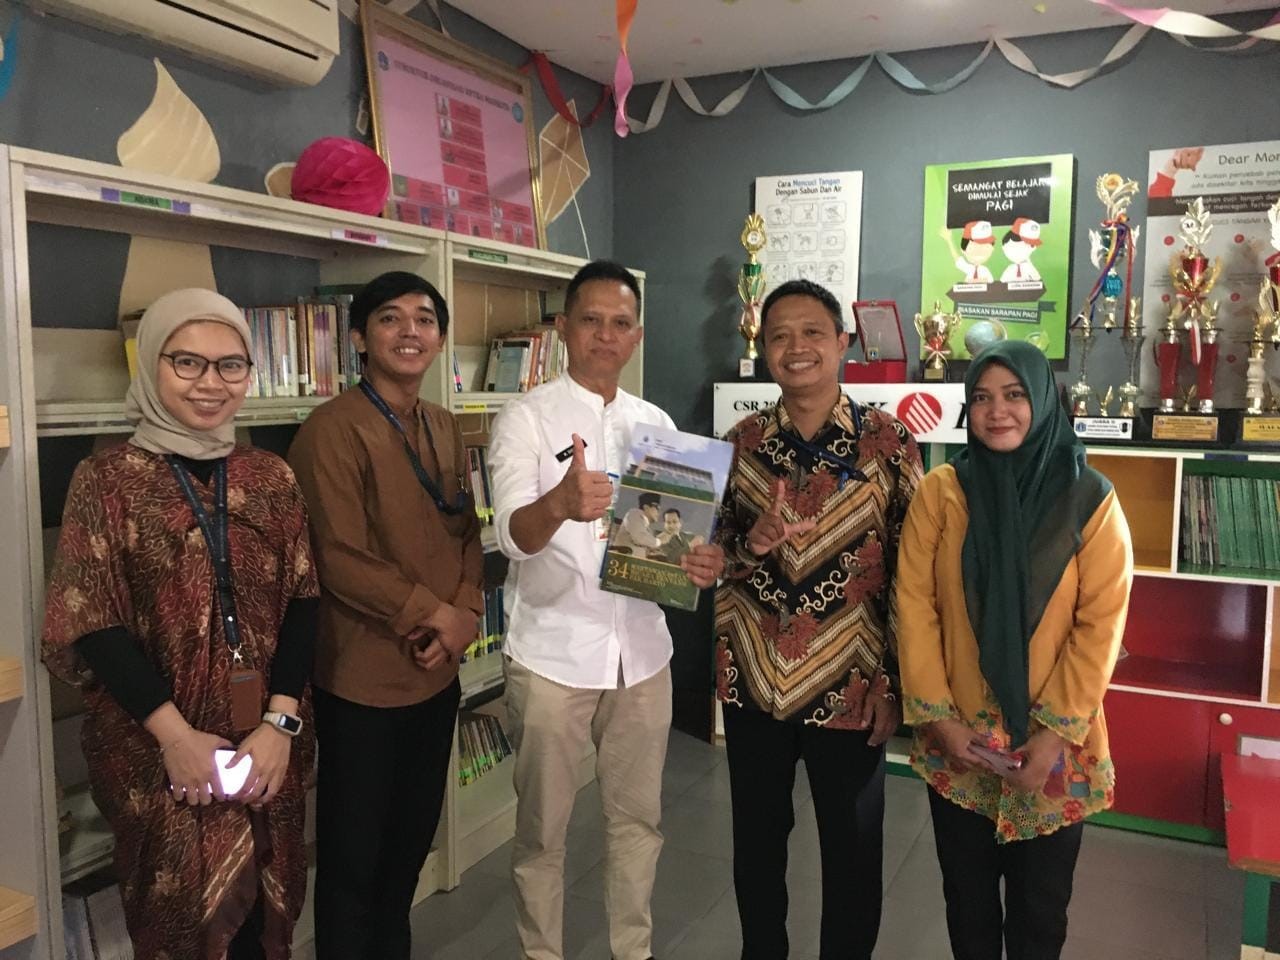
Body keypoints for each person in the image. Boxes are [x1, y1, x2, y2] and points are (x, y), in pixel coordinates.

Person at [42, 289, 318, 960]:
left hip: (265, 746)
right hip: (159, 754)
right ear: (150, 365)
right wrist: (176, 738)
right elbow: (92, 620)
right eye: (187, 362)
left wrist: (280, 725)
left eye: (231, 365)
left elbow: (304, 599)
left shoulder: (271, 477)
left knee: (264, 926)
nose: (210, 383)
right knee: (180, 925)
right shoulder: (106, 480)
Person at [487, 259, 725, 960]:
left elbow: (674, 543)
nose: (605, 335)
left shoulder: (657, 425)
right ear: (564, 328)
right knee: (542, 833)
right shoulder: (526, 419)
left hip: (642, 656)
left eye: (621, 323)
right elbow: (512, 538)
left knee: (638, 823)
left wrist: (699, 562)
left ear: (637, 336)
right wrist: (559, 503)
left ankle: (633, 951)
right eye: (591, 320)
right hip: (552, 655)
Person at [895, 340, 1134, 960]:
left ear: (1044, 401)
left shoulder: (1091, 499)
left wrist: (1052, 737)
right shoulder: (942, 492)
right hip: (961, 741)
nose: (996, 411)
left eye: (1014, 395)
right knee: (967, 904)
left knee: (1041, 911)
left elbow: (1100, 625)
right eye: (981, 398)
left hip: (1054, 744)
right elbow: (915, 606)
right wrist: (940, 719)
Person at [714, 278, 923, 960]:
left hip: (852, 687)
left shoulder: (888, 443)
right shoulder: (740, 443)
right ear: (764, 349)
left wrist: (894, 681)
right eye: (779, 335)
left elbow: (915, 573)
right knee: (756, 846)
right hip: (754, 682)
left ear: (841, 342)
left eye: (811, 332)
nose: (795, 347)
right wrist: (750, 546)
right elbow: (707, 554)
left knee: (853, 853)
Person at [287, 271, 482, 960]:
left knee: (407, 851)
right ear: (360, 338)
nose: (410, 331)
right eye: (391, 318)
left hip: (437, 672)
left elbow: (466, 531)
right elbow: (337, 555)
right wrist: (436, 615)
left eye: (425, 319)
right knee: (352, 863)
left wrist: (466, 613)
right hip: (363, 680)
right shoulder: (331, 431)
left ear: (440, 339)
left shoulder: (443, 425)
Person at [999, 218, 1043, 283]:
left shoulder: (1030, 268)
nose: (1033, 248)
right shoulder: (1011, 269)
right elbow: (1002, 284)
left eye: (1032, 245)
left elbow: (1038, 282)